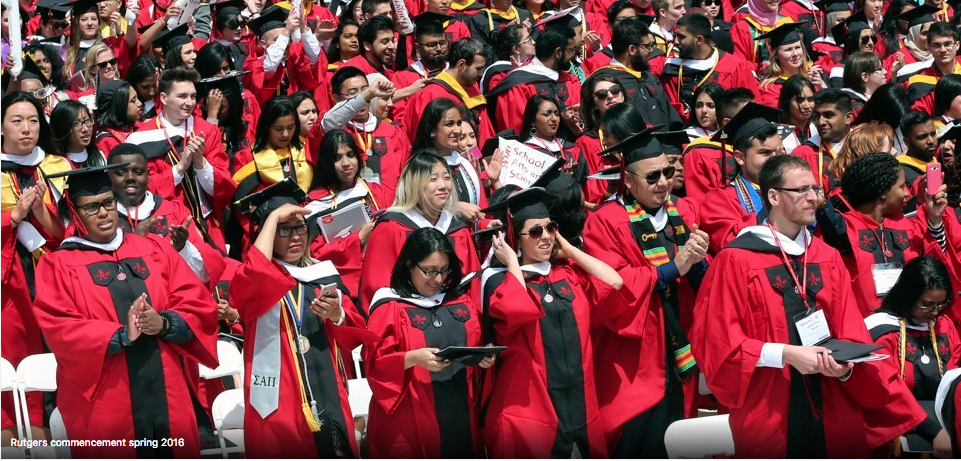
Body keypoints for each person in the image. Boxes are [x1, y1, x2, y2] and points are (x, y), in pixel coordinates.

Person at [691, 154, 927, 458]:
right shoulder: (736, 260)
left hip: (832, 404)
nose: (813, 198)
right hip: (770, 407)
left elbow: (851, 331)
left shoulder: (825, 256)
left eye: (815, 189)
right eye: (801, 190)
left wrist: (843, 369)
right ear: (773, 196)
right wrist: (786, 354)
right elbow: (718, 341)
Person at [33, 164, 218, 458]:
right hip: (106, 399)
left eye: (108, 202)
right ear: (75, 213)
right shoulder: (58, 265)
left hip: (167, 387)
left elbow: (196, 302)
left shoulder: (153, 249)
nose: (104, 213)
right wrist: (120, 335)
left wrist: (165, 324)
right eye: (91, 207)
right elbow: (59, 327)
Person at [581, 128, 709, 457]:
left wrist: (699, 263)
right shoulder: (605, 221)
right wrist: (670, 269)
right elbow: (609, 286)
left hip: (682, 345)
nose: (664, 183)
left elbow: (702, 284)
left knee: (681, 438)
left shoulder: (686, 211)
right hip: (636, 358)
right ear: (627, 180)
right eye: (652, 176)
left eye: (668, 171)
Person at [483, 187, 624, 458]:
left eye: (551, 227)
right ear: (515, 238)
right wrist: (513, 262)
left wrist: (570, 249)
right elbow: (515, 308)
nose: (546, 236)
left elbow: (614, 282)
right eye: (535, 232)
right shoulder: (499, 283)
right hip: (529, 414)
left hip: (580, 406)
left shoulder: (566, 275)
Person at [230, 195, 366, 458]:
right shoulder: (260, 276)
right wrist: (271, 217)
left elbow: (353, 333)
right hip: (280, 393)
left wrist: (337, 314)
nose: (295, 236)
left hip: (327, 385)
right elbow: (252, 274)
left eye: (300, 227)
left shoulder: (322, 273)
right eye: (284, 228)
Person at [365, 227, 493, 458]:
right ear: (409, 265)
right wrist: (412, 358)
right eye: (429, 271)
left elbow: (477, 339)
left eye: (444, 270)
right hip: (411, 418)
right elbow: (375, 363)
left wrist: (483, 355)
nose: (438, 279)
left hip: (460, 410)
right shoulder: (390, 305)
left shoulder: (459, 300)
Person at [0, 92, 66, 444]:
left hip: (55, 273)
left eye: (33, 121)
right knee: (16, 354)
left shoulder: (57, 166)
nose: (26, 129)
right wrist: (12, 217)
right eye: (16, 121)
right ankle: (17, 441)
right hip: (11, 277)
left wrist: (40, 212)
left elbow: (68, 234)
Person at [816, 152, 955, 318]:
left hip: (910, 325)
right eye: (902, 186)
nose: (907, 193)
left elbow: (934, 267)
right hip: (866, 327)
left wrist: (934, 218)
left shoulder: (907, 225)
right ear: (883, 192)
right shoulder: (843, 230)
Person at [127, 67, 235, 251]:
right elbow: (141, 190)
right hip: (166, 226)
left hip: (206, 223)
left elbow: (222, 187)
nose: (189, 102)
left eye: (193, 96)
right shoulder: (141, 138)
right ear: (163, 98)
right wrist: (179, 169)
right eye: (182, 96)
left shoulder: (206, 131)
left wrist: (200, 162)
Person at [359, 152, 481, 314]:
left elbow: (473, 287)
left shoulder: (458, 229)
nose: (443, 185)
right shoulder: (391, 227)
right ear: (414, 184)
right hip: (406, 323)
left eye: (446, 177)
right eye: (433, 179)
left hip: (456, 320)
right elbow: (377, 289)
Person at [865, 256, 959, 458]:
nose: (934, 312)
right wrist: (933, 431)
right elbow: (886, 389)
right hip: (897, 433)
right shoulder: (881, 331)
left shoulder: (945, 326)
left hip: (946, 431)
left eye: (941, 304)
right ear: (908, 295)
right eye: (927, 304)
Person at [107, 143, 226, 288]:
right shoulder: (101, 218)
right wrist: (135, 243)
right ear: (108, 175)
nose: (130, 177)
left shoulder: (174, 212)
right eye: (121, 173)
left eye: (138, 172)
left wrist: (183, 248)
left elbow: (205, 276)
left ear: (148, 174)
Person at [304, 129, 391, 301]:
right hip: (346, 290)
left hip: (383, 277)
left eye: (350, 155)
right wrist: (358, 239)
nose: (346, 163)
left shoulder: (375, 192)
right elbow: (314, 253)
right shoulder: (316, 204)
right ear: (327, 163)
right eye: (337, 158)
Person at [699, 102, 786, 253]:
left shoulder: (795, 190)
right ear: (739, 157)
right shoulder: (720, 200)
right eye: (765, 153)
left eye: (779, 151)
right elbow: (730, 243)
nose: (775, 159)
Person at [319, 66, 410, 200]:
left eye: (364, 90)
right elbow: (328, 121)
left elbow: (406, 175)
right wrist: (366, 94)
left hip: (391, 209)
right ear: (336, 99)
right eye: (353, 93)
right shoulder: (334, 131)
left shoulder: (392, 131)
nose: (362, 99)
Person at [660, 13, 759, 123]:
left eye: (681, 37)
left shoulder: (734, 66)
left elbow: (751, 106)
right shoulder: (673, 69)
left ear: (699, 40)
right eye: (675, 36)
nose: (676, 42)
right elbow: (670, 108)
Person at [486, 24, 583, 135]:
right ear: (558, 53)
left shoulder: (570, 81)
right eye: (571, 50)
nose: (572, 56)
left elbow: (581, 121)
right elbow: (516, 130)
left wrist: (575, 123)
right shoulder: (518, 84)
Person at [412, 99, 502, 219]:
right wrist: (454, 207)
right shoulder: (420, 165)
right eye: (449, 124)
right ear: (432, 130)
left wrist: (487, 223)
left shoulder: (465, 164)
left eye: (459, 123)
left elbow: (481, 209)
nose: (457, 130)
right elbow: (416, 206)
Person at [590, 18, 684, 130]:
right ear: (632, 49)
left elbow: (672, 120)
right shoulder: (603, 83)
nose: (651, 51)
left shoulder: (650, 79)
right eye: (647, 46)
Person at [402, 38, 496, 146]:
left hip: (473, 159)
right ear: (461, 65)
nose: (481, 74)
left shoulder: (472, 88)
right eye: (478, 69)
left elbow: (481, 133)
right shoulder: (431, 95)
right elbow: (423, 140)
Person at [242, 5, 325, 106]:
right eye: (278, 39)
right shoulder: (255, 65)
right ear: (263, 44)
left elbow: (314, 58)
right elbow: (270, 66)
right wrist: (286, 31)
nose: (285, 43)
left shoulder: (292, 59)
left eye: (287, 38)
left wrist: (303, 28)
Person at [681, 87, 752, 204]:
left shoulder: (731, 135)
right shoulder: (686, 138)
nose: (704, 110)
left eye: (710, 106)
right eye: (699, 105)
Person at [791, 89, 853, 192]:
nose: (820, 122)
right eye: (817, 116)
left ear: (848, 118)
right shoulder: (802, 154)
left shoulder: (867, 145)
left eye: (828, 115)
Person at [520, 95, 588, 182]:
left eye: (556, 113)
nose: (554, 118)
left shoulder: (572, 149)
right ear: (532, 120)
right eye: (546, 114)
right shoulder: (525, 152)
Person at [756, 22, 826, 108]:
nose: (795, 54)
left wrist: (822, 86)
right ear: (776, 55)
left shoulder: (814, 78)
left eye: (797, 47)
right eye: (788, 50)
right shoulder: (770, 88)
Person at [906, 21, 961, 114]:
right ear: (928, 46)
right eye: (936, 45)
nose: (943, 50)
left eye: (947, 44)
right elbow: (922, 124)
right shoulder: (919, 84)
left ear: (957, 45)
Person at [828, 121, 897, 182]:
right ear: (869, 157)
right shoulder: (842, 193)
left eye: (892, 145)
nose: (895, 152)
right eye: (888, 151)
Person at [899, 111, 940, 209]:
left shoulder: (940, 164)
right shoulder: (900, 174)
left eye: (933, 134)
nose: (931, 141)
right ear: (907, 142)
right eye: (922, 137)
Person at [94, 80, 143, 158]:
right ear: (118, 107)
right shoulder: (105, 142)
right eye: (133, 101)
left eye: (137, 98)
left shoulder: (139, 126)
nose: (139, 103)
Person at [50, 100, 102, 168]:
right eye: (76, 124)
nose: (85, 129)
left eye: (87, 121)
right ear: (62, 128)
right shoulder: (53, 165)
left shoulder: (100, 158)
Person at [778, 74, 816, 143]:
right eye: (800, 100)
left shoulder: (820, 130)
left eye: (810, 99)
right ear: (787, 102)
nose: (807, 106)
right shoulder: (776, 135)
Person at [126, 55, 163, 120]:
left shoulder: (165, 99)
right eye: (145, 87)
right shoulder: (125, 102)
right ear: (134, 83)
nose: (152, 93)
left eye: (155, 86)